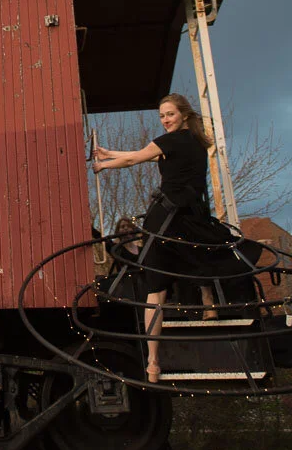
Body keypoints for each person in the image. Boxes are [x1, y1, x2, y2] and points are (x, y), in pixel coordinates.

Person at [92, 93, 234, 383]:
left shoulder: (171, 141)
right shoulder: (194, 143)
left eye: (169, 114)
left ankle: (153, 364)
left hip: (167, 221)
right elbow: (145, 153)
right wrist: (107, 153)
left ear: (183, 113)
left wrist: (103, 166)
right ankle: (208, 305)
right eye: (162, 116)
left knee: (155, 290)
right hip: (192, 219)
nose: (165, 120)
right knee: (196, 257)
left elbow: (136, 158)